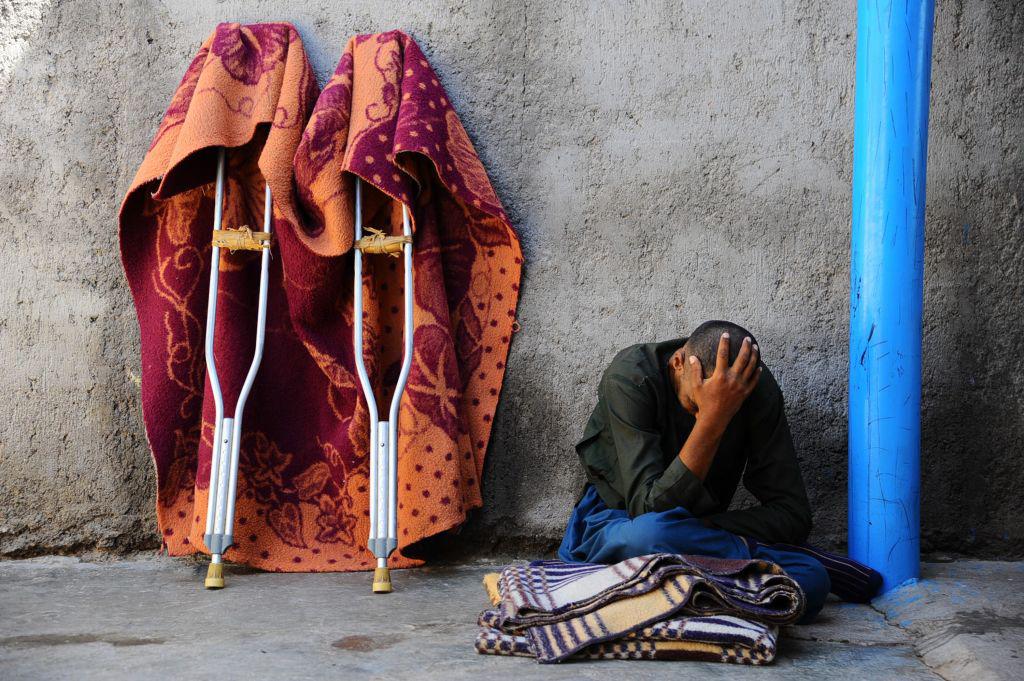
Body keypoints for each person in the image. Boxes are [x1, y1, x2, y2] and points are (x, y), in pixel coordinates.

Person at [559, 320, 878, 623]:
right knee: (650, 535)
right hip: (618, 522)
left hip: (693, 534)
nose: (703, 414)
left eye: (724, 410)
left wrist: (698, 529)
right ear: (678, 363)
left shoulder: (754, 388)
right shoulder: (632, 376)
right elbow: (646, 509)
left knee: (811, 583)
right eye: (693, 404)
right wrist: (712, 419)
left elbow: (791, 514)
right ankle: (742, 563)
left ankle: (690, 581)